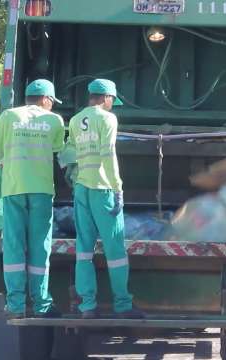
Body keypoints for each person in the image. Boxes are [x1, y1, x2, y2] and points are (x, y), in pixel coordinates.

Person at [0, 79, 65, 319]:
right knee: (40, 246)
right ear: (47, 100)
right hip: (41, 191)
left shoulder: (8, 117)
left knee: (14, 247)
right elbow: (59, 150)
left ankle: (16, 305)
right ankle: (41, 304)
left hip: (14, 190)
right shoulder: (55, 120)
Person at [66, 79, 143, 319]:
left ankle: (87, 306)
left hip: (82, 190)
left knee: (84, 250)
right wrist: (118, 187)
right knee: (115, 250)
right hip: (103, 189)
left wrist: (72, 174)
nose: (112, 104)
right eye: (112, 100)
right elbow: (108, 154)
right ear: (107, 97)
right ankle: (122, 304)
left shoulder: (76, 119)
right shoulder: (108, 119)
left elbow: (69, 153)